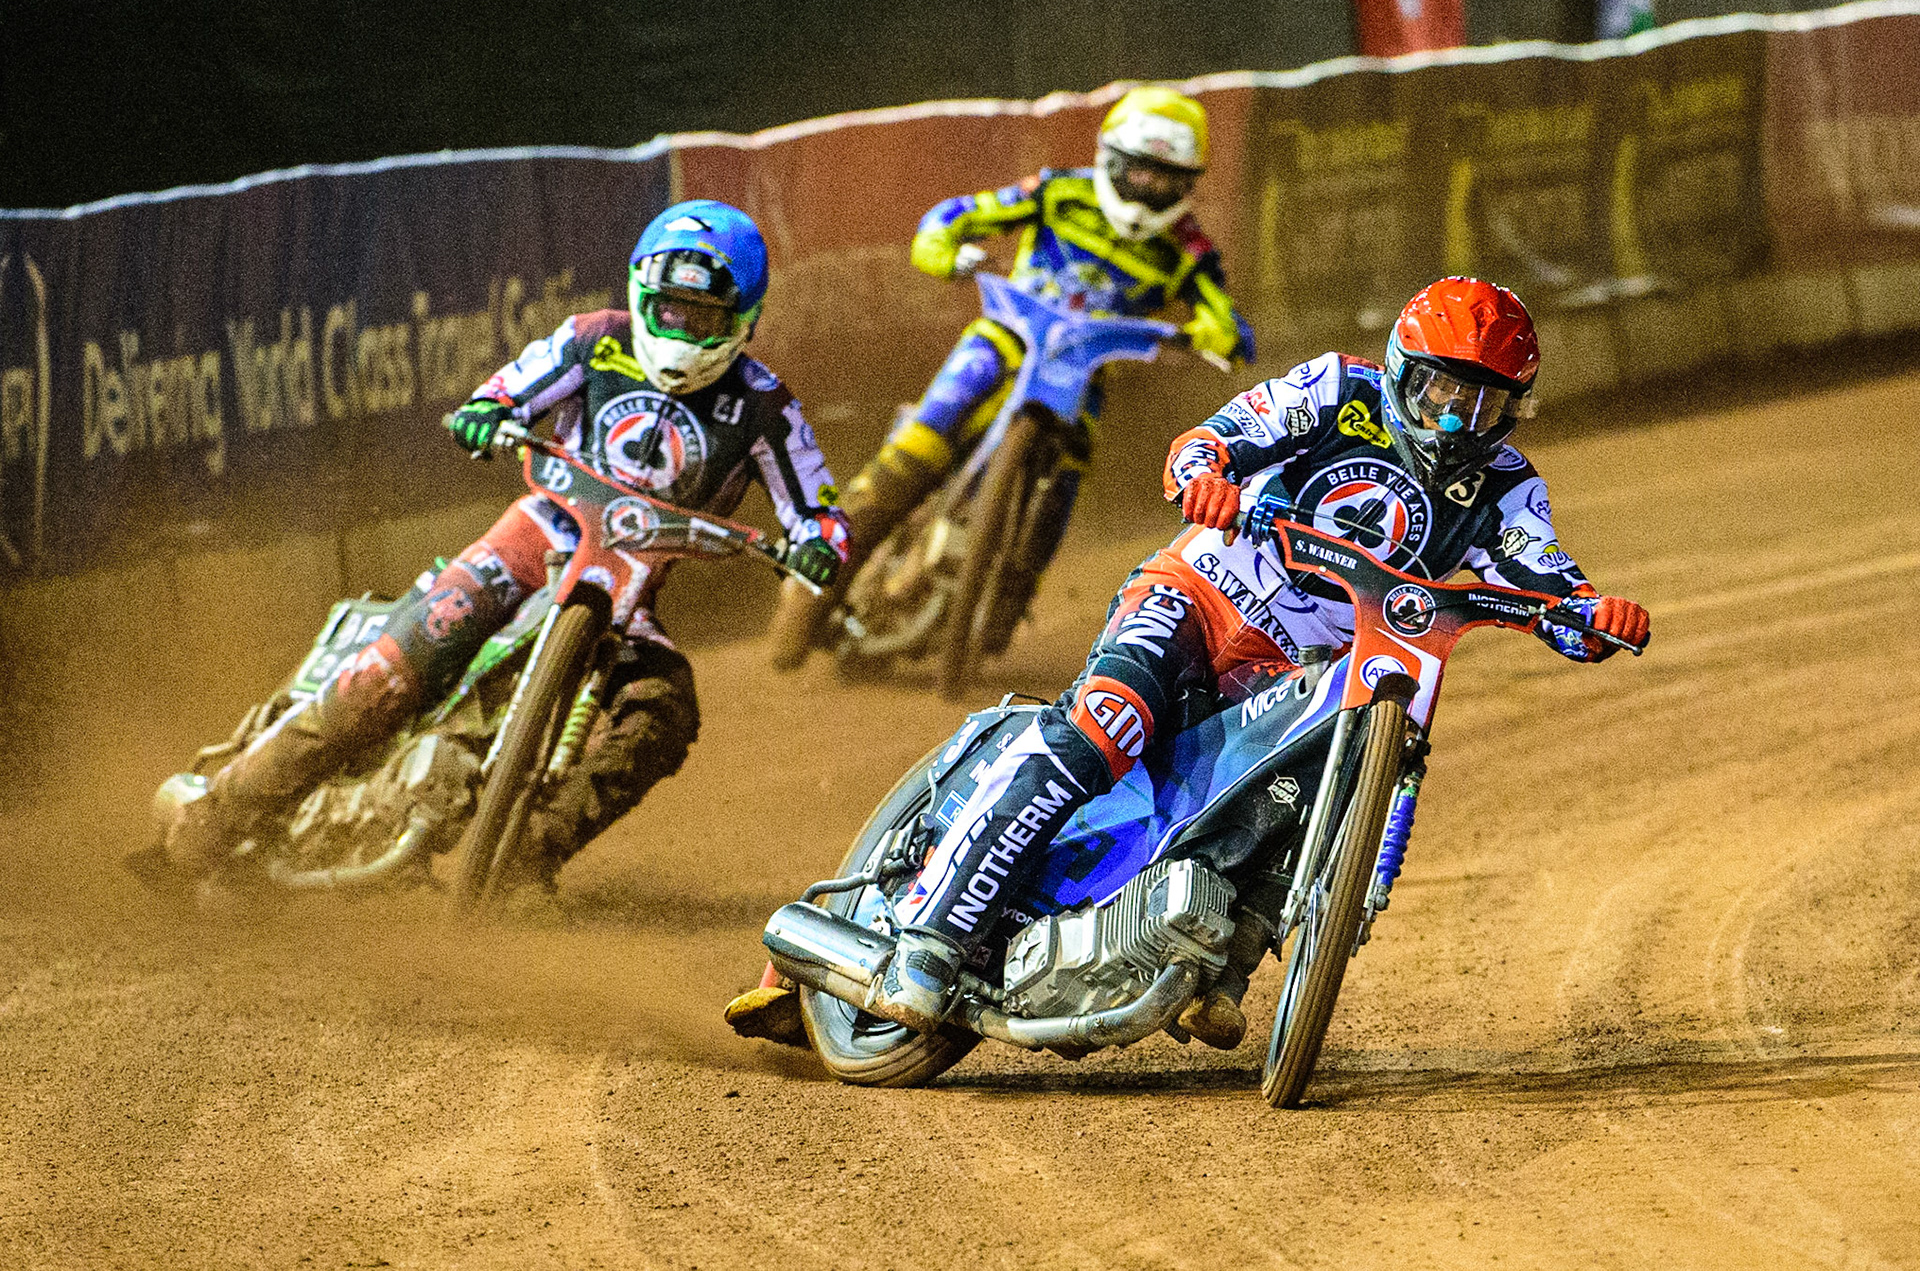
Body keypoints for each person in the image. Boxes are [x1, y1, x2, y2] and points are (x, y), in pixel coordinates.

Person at [836, 276, 1651, 1045]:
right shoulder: (1339, 389)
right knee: (1104, 725)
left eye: (1486, 405)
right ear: (1406, 370)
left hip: (1298, 671)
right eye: (1444, 391)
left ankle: (1222, 965)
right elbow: (1212, 440)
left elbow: (1546, 573)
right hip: (1200, 592)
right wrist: (1210, 478)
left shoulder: (1508, 487)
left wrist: (1589, 616)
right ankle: (930, 932)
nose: (1457, 422)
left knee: (1309, 781)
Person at [156, 200, 850, 891]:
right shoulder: (594, 339)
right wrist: (486, 413)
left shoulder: (765, 406)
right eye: (671, 310)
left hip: (632, 584)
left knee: (663, 708)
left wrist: (820, 543)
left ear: (744, 322)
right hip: (536, 534)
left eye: (704, 318)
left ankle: (525, 860)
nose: (683, 330)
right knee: (396, 664)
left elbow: (817, 507)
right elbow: (509, 388)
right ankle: (218, 814)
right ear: (643, 295)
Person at [767, 84, 1256, 667]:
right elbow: (955, 216)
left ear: (1189, 182)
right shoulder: (1057, 191)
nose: (1148, 189)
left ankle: (1010, 597)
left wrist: (1216, 335)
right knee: (925, 436)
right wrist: (943, 246)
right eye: (1139, 171)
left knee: (1068, 478)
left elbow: (1229, 320)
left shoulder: (1190, 248)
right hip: (1003, 337)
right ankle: (815, 585)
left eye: (1166, 178)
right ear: (1109, 160)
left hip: (1082, 369)